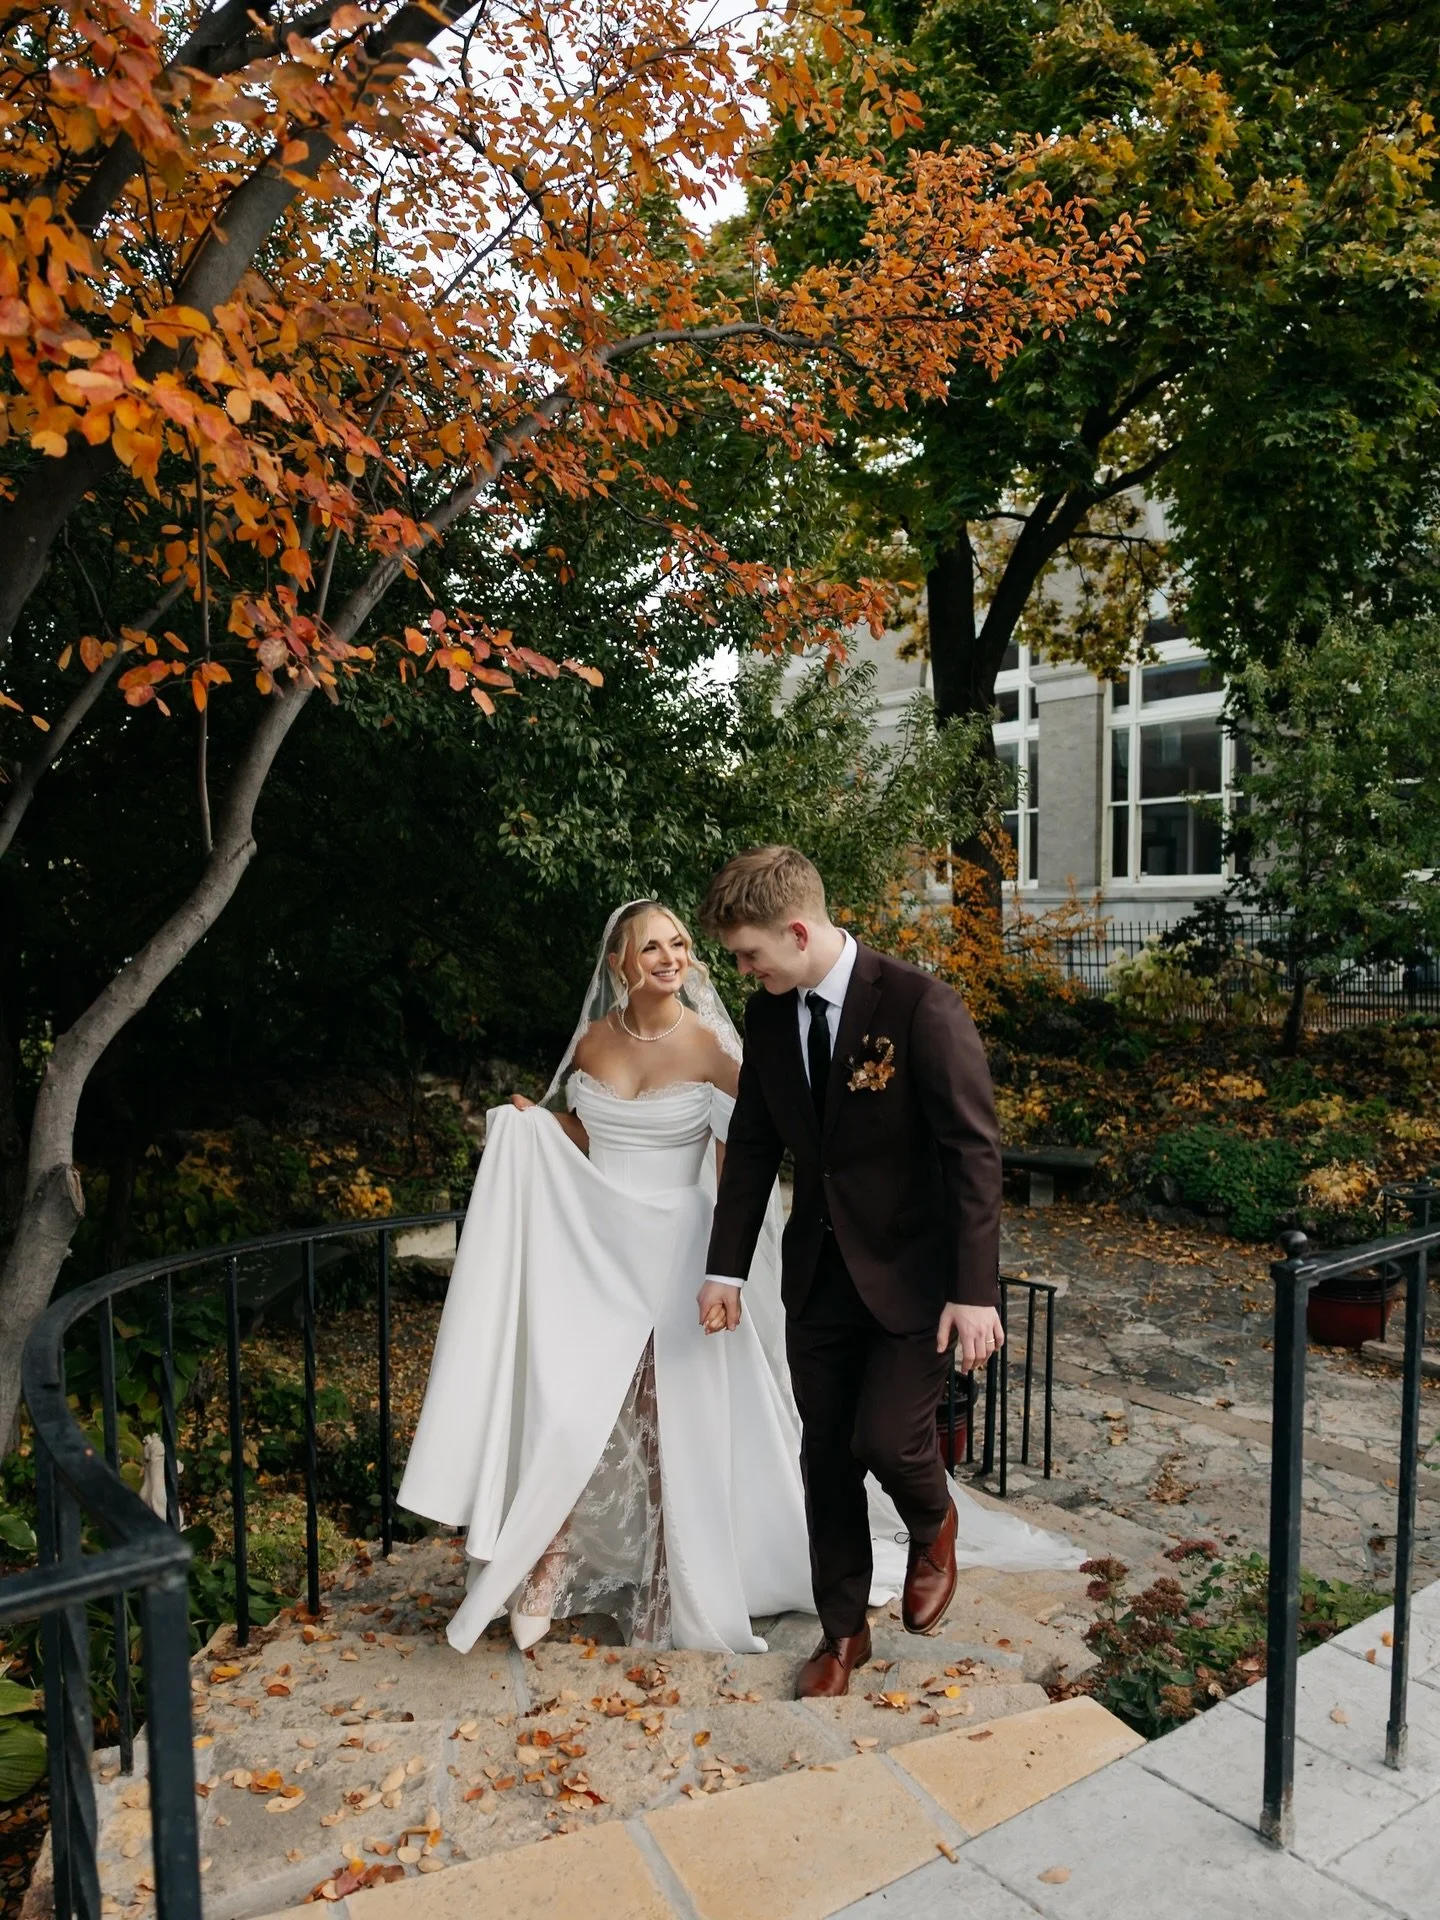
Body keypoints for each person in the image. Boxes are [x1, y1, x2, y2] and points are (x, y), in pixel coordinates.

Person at [397, 899, 816, 1653]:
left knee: (666, 1415)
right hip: (597, 1244)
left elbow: (739, 1168)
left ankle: (672, 1575)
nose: (669, 956)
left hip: (678, 1246)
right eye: (650, 946)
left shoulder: (717, 1051)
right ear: (618, 964)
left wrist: (730, 1274)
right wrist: (534, 1124)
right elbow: (587, 1134)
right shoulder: (592, 1042)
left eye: (680, 944)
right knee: (568, 1404)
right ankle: (546, 1563)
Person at [700, 846, 1017, 1699]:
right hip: (817, 1278)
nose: (742, 969)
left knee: (886, 1438)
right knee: (826, 1460)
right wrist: (725, 1271)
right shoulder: (769, 1016)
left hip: (917, 1279)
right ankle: (843, 1633)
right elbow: (758, 1147)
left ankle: (933, 1516)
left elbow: (973, 1153)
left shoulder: (919, 1005)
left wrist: (975, 1289)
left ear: (797, 931)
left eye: (749, 953)